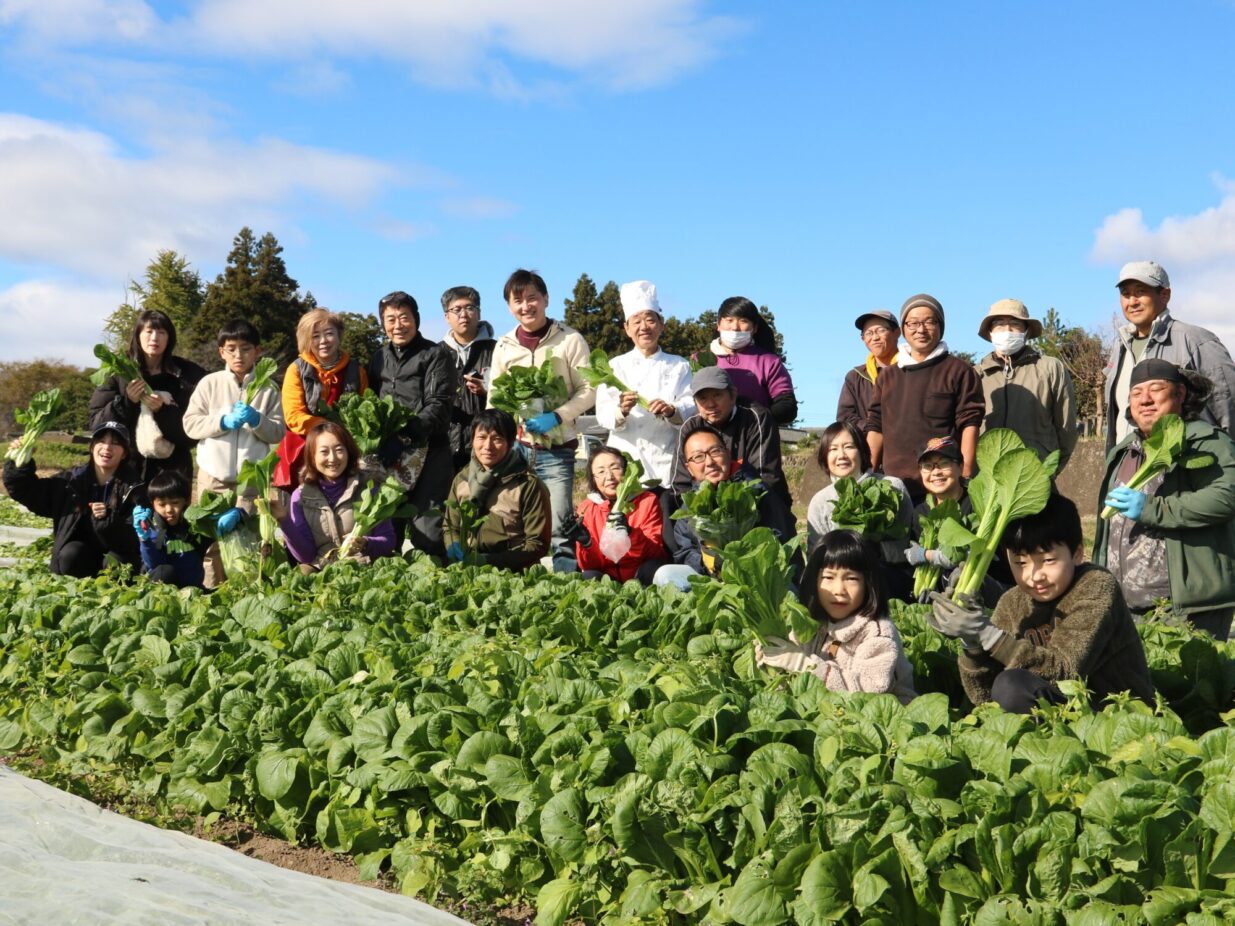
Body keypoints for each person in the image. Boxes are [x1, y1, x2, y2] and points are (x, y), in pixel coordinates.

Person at [930, 493, 1154, 713]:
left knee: (1012, 687)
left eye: (1047, 560)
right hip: (1059, 714)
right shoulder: (1012, 602)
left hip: (1117, 712)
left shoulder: (1095, 585)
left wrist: (986, 633)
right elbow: (984, 697)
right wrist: (973, 644)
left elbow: (1065, 673)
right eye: (1020, 562)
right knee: (1007, 686)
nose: (1034, 575)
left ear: (1077, 554)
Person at [1094, 359, 1235, 640]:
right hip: (1125, 606)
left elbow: (1227, 495)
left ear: (1180, 394)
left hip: (1185, 608)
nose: (1145, 399)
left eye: (1156, 389)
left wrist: (1153, 508)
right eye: (1136, 393)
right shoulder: (1123, 451)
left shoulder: (1206, 441)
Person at [487, 269, 594, 567]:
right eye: (517, 300)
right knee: (511, 522)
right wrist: (501, 439)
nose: (526, 306)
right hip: (517, 448)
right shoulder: (505, 345)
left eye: (532, 298)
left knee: (560, 525)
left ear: (546, 299)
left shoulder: (570, 339)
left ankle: (567, 586)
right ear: (509, 306)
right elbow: (495, 399)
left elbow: (589, 389)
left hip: (557, 448)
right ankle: (516, 584)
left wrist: (557, 416)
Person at [181, 319, 286, 586]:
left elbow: (278, 432)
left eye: (245, 349)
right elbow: (190, 424)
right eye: (231, 349)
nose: (238, 355)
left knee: (248, 541)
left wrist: (256, 419)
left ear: (257, 351)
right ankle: (211, 592)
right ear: (221, 352)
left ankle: (246, 592)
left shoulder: (268, 388)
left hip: (250, 479)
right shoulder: (209, 384)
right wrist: (222, 421)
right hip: (213, 476)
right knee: (212, 542)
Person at [757, 530, 917, 704]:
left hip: (887, 723)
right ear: (814, 581)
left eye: (851, 578)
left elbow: (870, 692)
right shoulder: (812, 624)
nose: (839, 590)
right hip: (830, 716)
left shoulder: (878, 633)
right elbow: (794, 673)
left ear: (868, 583)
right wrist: (774, 661)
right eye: (828, 577)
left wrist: (807, 666)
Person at [1104, 261, 1235, 450]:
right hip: (1132, 471)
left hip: (1187, 471)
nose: (1132, 302)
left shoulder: (1196, 341)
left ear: (1165, 295)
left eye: (1141, 292)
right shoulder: (1119, 348)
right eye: (1126, 294)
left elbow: (1228, 407)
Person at [867, 294, 984, 501]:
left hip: (942, 484)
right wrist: (868, 471)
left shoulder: (959, 371)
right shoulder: (888, 376)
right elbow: (876, 427)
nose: (920, 330)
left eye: (929, 322)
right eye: (913, 323)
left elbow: (970, 423)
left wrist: (965, 473)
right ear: (903, 329)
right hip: (894, 486)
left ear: (941, 326)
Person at [369, 291, 457, 557]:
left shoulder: (435, 354)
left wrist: (406, 436)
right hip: (389, 454)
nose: (398, 326)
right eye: (390, 319)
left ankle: (435, 582)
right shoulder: (378, 358)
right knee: (386, 527)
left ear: (416, 319)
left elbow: (438, 405)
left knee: (428, 532)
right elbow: (370, 401)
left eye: (404, 318)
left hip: (430, 451)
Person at [655, 426, 797, 590]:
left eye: (715, 451)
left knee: (787, 592)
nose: (709, 462)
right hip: (712, 575)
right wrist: (707, 561)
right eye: (698, 457)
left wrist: (742, 559)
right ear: (689, 468)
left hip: (758, 574)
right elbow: (684, 551)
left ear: (728, 453)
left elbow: (779, 537)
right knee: (665, 575)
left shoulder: (755, 490)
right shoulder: (691, 503)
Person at [4, 421, 142, 577]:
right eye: (101, 441)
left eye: (116, 443)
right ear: (92, 447)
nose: (107, 447)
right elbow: (27, 491)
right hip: (81, 559)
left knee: (116, 562)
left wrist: (108, 519)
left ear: (124, 453)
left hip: (117, 556)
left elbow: (136, 538)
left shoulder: (134, 488)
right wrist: (18, 462)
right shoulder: (71, 481)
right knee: (70, 554)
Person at [594, 281, 695, 487]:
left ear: (661, 324)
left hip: (666, 460)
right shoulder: (614, 366)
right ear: (627, 328)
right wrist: (621, 410)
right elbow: (603, 414)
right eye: (636, 321)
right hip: (624, 461)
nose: (643, 327)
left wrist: (672, 410)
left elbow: (691, 404)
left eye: (650, 320)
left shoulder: (679, 365)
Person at [88, 309, 206, 483]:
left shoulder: (187, 374)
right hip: (125, 468)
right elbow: (96, 424)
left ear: (169, 338)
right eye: (149, 331)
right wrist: (127, 402)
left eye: (161, 332)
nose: (154, 338)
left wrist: (163, 411)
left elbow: (192, 432)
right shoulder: (118, 370)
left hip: (173, 471)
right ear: (138, 335)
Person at [805, 421, 913, 600]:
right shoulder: (820, 502)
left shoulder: (893, 486)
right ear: (824, 456)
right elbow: (816, 558)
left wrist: (874, 544)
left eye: (849, 447)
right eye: (833, 449)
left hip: (892, 584)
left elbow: (905, 541)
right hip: (843, 592)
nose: (841, 455)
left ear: (862, 452)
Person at [271, 421, 397, 571]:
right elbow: (306, 556)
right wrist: (284, 520)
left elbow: (389, 541)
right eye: (324, 452)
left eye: (339, 450)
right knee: (303, 571)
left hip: (362, 566)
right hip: (324, 569)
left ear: (348, 452)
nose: (332, 458)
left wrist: (366, 543)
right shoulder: (300, 496)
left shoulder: (369, 489)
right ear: (312, 457)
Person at [443, 409, 552, 572]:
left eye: (497, 439)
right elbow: (450, 526)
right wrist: (453, 544)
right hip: (466, 570)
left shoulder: (527, 484)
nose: (488, 446)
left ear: (510, 443)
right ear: (472, 440)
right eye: (481, 437)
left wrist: (489, 562)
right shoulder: (462, 479)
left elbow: (537, 544)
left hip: (514, 573)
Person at [976, 299, 1077, 469]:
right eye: (999, 325)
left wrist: (1050, 471)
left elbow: (1066, 427)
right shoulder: (975, 375)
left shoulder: (1050, 368)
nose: (1007, 331)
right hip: (986, 477)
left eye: (1015, 324)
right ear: (990, 332)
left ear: (1026, 331)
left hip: (1035, 474)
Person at [907, 436, 1010, 602]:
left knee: (953, 573)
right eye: (927, 466)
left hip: (980, 588)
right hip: (936, 591)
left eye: (944, 463)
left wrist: (927, 555)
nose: (936, 472)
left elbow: (972, 555)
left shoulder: (978, 502)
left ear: (961, 467)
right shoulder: (921, 510)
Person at [275, 309, 369, 489]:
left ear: (339, 336)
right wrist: (328, 431)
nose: (323, 341)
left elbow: (363, 413)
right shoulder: (296, 369)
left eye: (329, 334)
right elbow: (293, 416)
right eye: (315, 336)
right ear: (306, 339)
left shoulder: (357, 371)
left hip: (341, 449)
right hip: (302, 448)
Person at [670, 367, 789, 506]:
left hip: (758, 503)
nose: (710, 404)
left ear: (733, 395)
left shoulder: (756, 418)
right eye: (702, 398)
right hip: (705, 509)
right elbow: (680, 484)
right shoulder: (689, 428)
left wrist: (733, 513)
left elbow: (765, 477)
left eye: (717, 395)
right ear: (695, 402)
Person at [574, 446, 668, 584]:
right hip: (608, 578)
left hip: (640, 574)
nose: (609, 476)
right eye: (601, 471)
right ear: (593, 479)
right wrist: (587, 544)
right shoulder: (586, 507)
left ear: (627, 471)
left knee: (653, 568)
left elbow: (656, 552)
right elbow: (589, 566)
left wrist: (631, 533)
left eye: (615, 468)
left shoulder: (647, 500)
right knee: (589, 576)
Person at [701, 297, 797, 425]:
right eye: (729, 320)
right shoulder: (699, 359)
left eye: (743, 321)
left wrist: (756, 422)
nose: (735, 327)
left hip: (756, 438)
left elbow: (786, 406)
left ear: (755, 328)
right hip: (709, 438)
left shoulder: (769, 361)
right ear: (718, 324)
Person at [439, 285, 496, 473]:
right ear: (447, 317)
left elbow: (510, 396)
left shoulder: (498, 349)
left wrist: (488, 390)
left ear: (478, 313)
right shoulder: (435, 353)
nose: (463, 314)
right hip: (444, 446)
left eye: (469, 308)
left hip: (486, 445)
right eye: (456, 309)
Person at [132, 470, 207, 588]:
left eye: (175, 502)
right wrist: (145, 540)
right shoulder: (154, 529)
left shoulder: (195, 526)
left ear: (187, 500)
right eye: (162, 504)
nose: (169, 510)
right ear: (153, 504)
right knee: (165, 571)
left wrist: (237, 514)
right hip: (164, 592)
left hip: (193, 590)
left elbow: (217, 532)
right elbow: (154, 565)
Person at [836, 309, 900, 434]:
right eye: (869, 333)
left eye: (881, 330)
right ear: (863, 338)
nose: (875, 337)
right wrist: (874, 429)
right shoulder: (855, 377)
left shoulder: (911, 369)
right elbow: (845, 417)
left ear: (897, 333)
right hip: (868, 448)